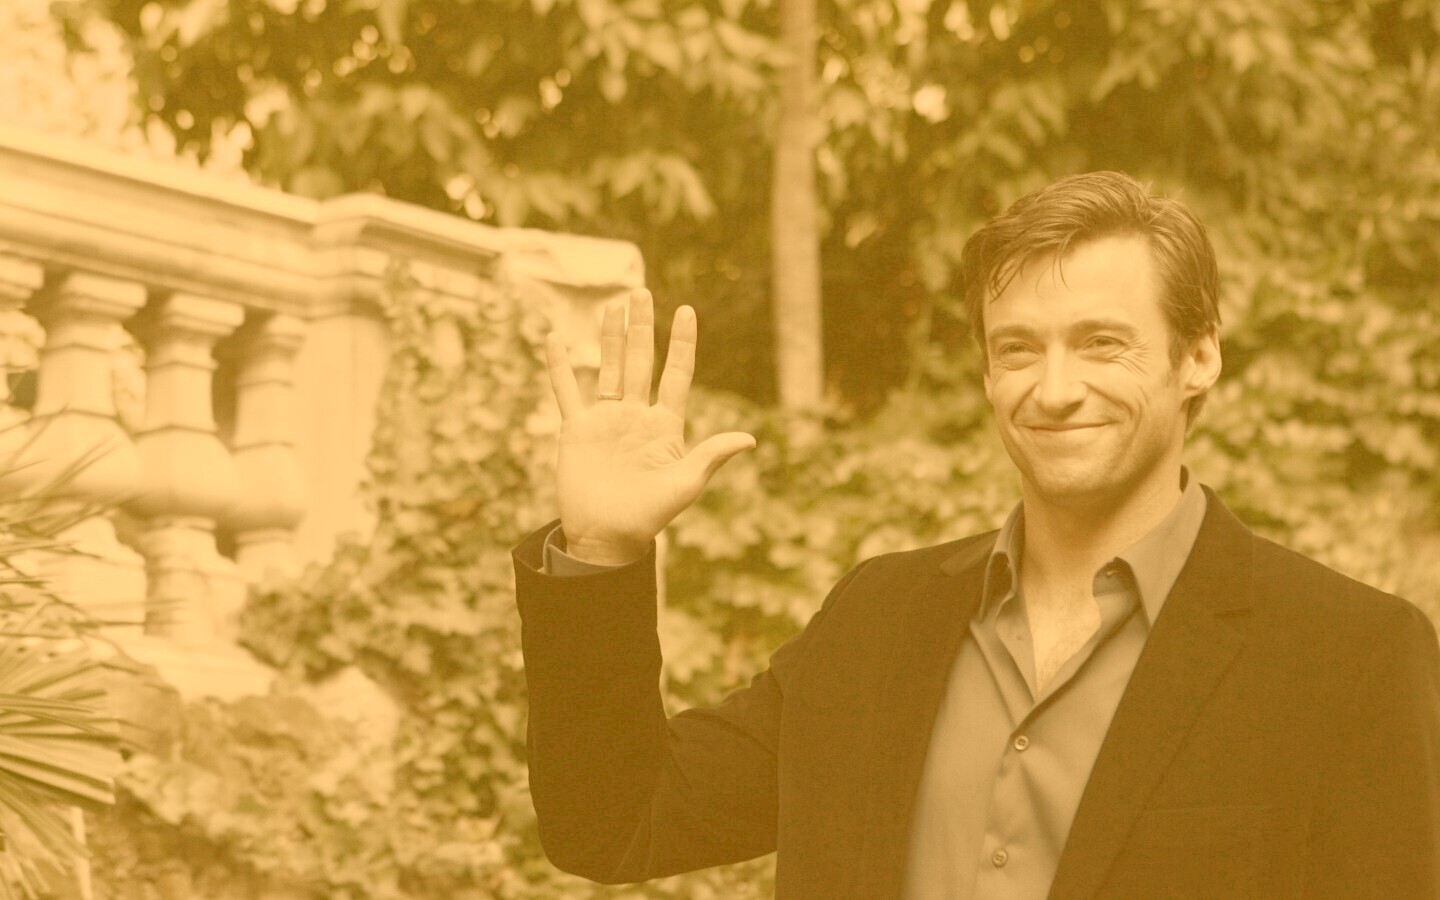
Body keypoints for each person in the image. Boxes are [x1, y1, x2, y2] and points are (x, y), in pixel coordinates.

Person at [512, 171, 1440, 899]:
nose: (1055, 388)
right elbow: (615, 821)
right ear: (988, 372)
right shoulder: (877, 619)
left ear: (1199, 355)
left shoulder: (1351, 657)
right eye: (1018, 348)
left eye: (1102, 342)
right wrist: (601, 550)